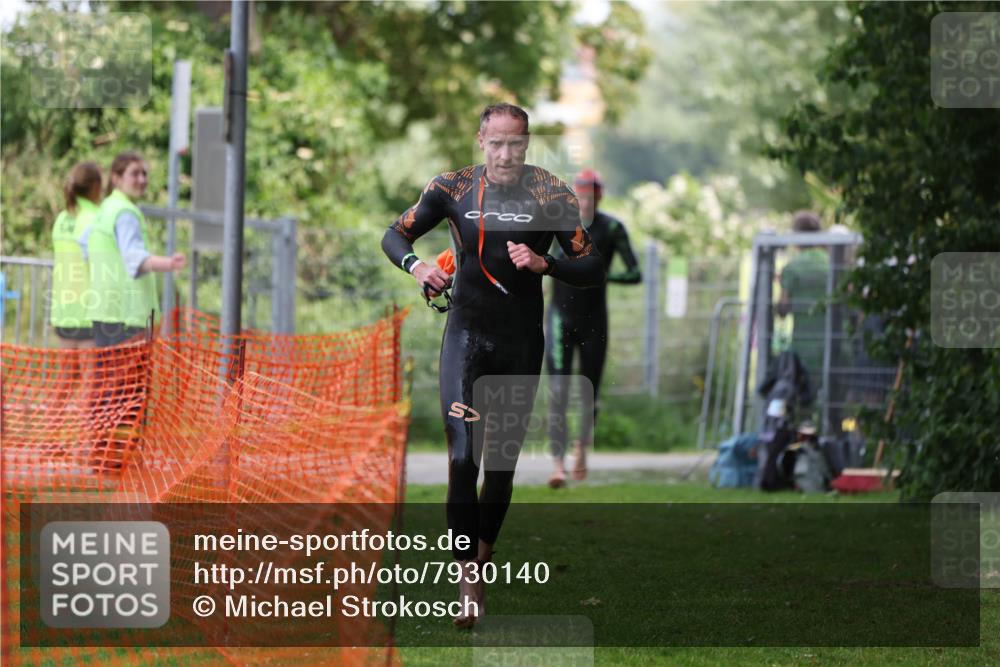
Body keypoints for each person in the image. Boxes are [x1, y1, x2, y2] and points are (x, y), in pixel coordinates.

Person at [381, 103, 604, 627]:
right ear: (481, 140)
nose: (507, 154)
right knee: (463, 459)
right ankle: (467, 581)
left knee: (499, 469)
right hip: (466, 338)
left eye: (517, 144)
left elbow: (591, 264)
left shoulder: (549, 193)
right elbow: (395, 234)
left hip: (520, 344)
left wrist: (546, 264)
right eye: (497, 143)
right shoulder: (452, 188)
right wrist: (417, 268)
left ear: (527, 144)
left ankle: (481, 557)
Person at [546, 169, 642, 488]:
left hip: (594, 320)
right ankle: (558, 465)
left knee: (589, 391)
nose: (585, 202)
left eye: (591, 196)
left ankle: (581, 451)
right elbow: (538, 260)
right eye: (581, 196)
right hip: (560, 316)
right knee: (558, 392)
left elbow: (635, 272)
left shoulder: (612, 228)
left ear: (599, 197)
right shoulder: (558, 223)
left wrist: (600, 276)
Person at [85, 151, 186, 347]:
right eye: (135, 173)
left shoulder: (105, 208)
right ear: (116, 178)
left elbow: (84, 245)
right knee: (129, 378)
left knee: (107, 377)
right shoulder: (125, 212)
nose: (142, 179)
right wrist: (170, 263)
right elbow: (135, 258)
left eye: (144, 173)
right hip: (127, 315)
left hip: (104, 311)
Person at [776, 210, 829, 405]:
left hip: (803, 348)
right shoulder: (832, 263)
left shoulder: (792, 268)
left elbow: (783, 309)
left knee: (802, 401)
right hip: (833, 345)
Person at [51, 161, 102, 350]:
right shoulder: (96, 217)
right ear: (96, 186)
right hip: (89, 310)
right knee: (89, 379)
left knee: (66, 379)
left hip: (63, 309)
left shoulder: (62, 218)